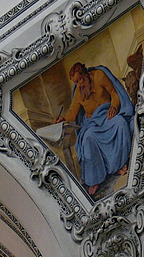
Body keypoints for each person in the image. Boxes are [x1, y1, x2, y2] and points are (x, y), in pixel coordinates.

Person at [55, 61, 134, 197]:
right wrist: (63, 119)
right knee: (88, 138)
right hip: (93, 123)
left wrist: (114, 107)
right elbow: (73, 112)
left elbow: (114, 93)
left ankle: (119, 164)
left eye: (80, 80)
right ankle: (95, 179)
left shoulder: (99, 76)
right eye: (76, 82)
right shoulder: (79, 93)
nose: (79, 84)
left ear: (86, 74)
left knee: (120, 124)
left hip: (109, 114)